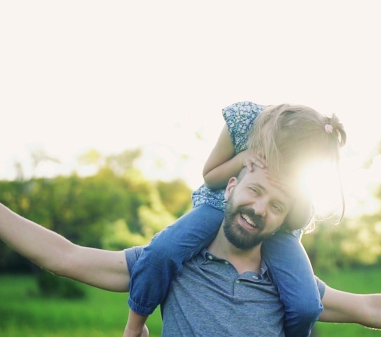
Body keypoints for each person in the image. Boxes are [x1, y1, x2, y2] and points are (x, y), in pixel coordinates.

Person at [0, 168, 381, 336]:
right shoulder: (173, 263)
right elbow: (67, 256)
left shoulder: (288, 280)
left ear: (284, 221)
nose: (259, 209)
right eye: (253, 191)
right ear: (230, 189)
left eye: (276, 205)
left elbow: (373, 308)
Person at [126, 101, 347, 337]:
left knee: (307, 305)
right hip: (220, 204)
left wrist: (298, 193)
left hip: (276, 226)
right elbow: (210, 176)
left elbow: (296, 222)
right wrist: (242, 159)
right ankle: (135, 326)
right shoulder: (244, 121)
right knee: (162, 251)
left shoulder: (307, 166)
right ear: (271, 136)